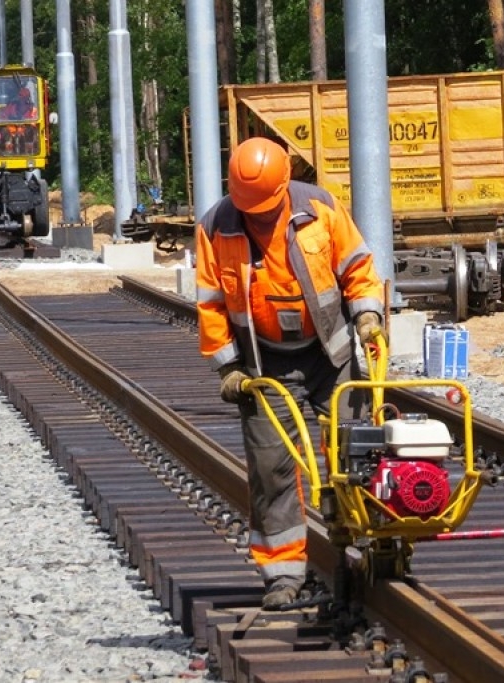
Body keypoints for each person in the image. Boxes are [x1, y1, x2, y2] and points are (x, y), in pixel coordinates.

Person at [194, 137, 385, 610]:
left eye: (265, 207)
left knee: (355, 453)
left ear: (285, 184)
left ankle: (367, 547)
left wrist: (367, 314)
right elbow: (211, 303)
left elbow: (357, 266)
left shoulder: (321, 209)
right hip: (264, 365)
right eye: (250, 209)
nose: (258, 217)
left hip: (329, 356)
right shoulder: (216, 227)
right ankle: (282, 574)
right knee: (271, 469)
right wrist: (228, 368)